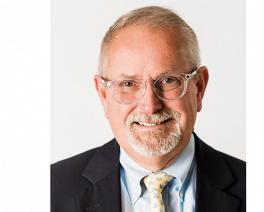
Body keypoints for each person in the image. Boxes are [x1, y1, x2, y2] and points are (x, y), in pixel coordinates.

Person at [51, 6, 245, 212]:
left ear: (199, 87)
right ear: (103, 94)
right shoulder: (51, 191)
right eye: (128, 84)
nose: (150, 106)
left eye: (168, 80)